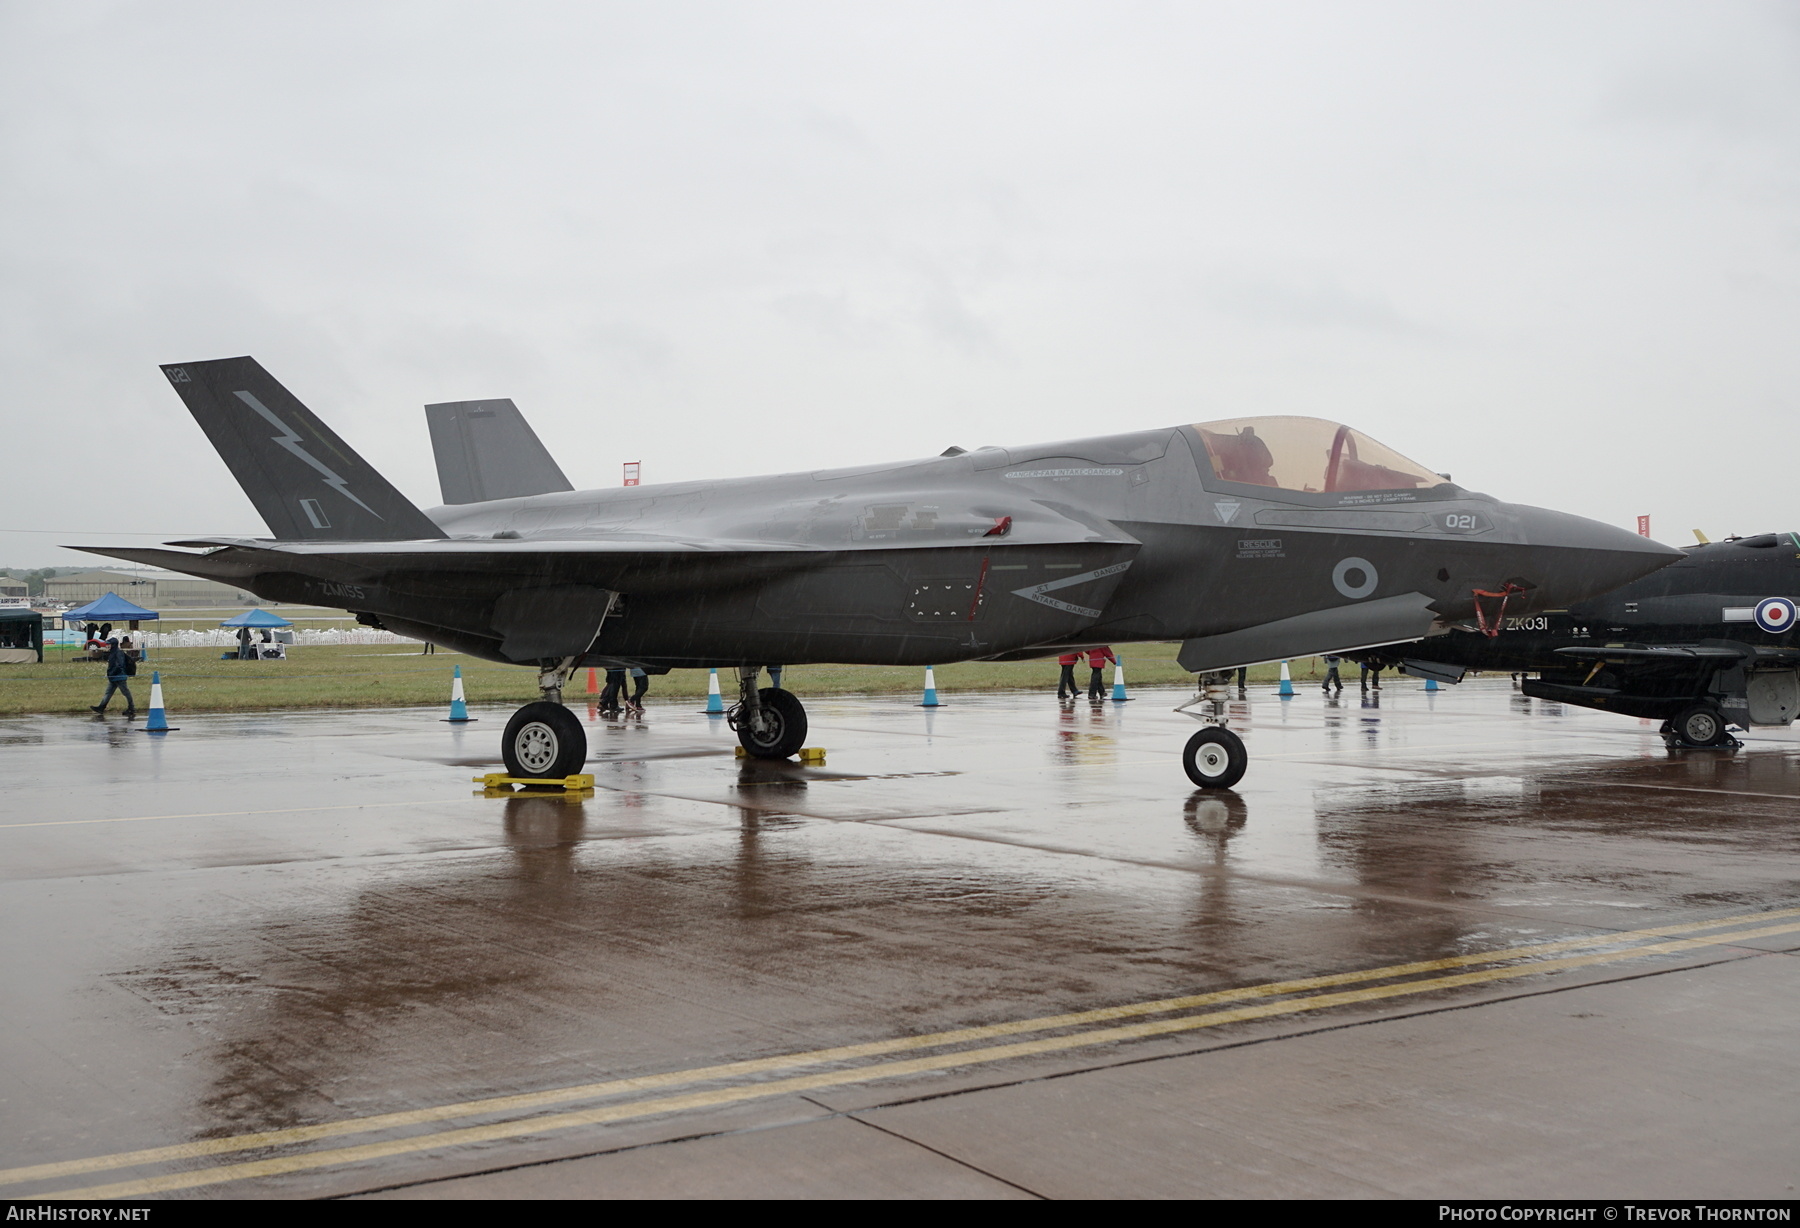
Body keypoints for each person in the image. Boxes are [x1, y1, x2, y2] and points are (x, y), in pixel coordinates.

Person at [91, 636, 136, 718]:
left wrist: (112, 672)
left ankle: (131, 708)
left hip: (119, 677)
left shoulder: (118, 653)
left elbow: (119, 665)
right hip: (113, 677)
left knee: (126, 692)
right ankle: (101, 707)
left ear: (114, 645)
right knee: (108, 693)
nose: (107, 646)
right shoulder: (112, 652)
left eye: (109, 644)